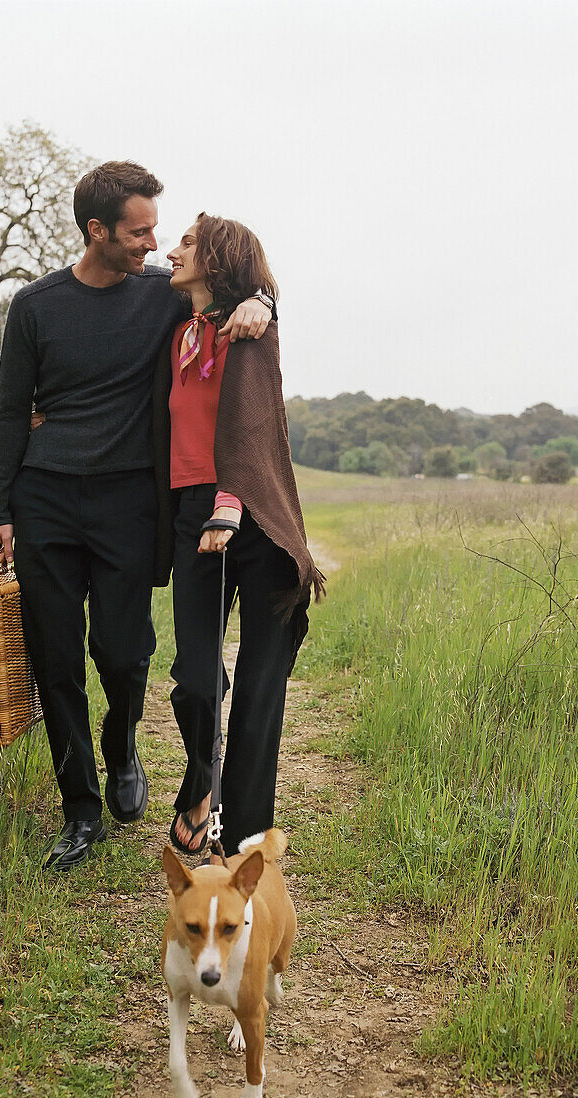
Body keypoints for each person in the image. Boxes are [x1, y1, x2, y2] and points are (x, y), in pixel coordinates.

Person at [0, 164, 273, 872]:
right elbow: (6, 412)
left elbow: (230, 296)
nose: (151, 243)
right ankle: (80, 811)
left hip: (127, 504)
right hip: (44, 499)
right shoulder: (35, 306)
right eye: (138, 231)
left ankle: (121, 744)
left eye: (155, 230)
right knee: (56, 660)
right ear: (97, 231)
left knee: (122, 652)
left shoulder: (162, 297)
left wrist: (265, 299)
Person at [154, 213, 324, 858]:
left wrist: (263, 301)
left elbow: (250, 429)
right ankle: (203, 784)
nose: (171, 251)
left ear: (219, 258)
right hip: (193, 511)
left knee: (260, 682)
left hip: (255, 512)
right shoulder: (174, 330)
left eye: (188, 244)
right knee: (196, 676)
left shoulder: (252, 331)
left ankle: (245, 841)